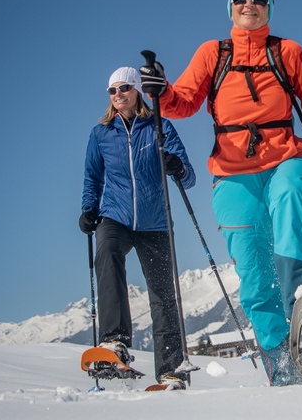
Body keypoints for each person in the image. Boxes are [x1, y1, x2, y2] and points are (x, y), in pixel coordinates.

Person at [138, 0, 302, 385]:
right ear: (230, 7)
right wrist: (160, 92)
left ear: (269, 5)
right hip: (231, 174)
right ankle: (282, 367)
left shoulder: (289, 52)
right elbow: (184, 102)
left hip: (286, 158)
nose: (250, 2)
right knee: (252, 274)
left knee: (293, 195)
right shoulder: (213, 53)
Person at [79, 66, 197, 389]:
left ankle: (172, 370)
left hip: (154, 222)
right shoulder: (101, 134)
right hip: (115, 217)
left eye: (124, 89)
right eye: (112, 91)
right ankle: (114, 341)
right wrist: (88, 209)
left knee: (162, 293)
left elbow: (189, 176)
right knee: (106, 250)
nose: (118, 95)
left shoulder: (158, 127)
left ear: (137, 91)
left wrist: (177, 166)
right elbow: (92, 178)